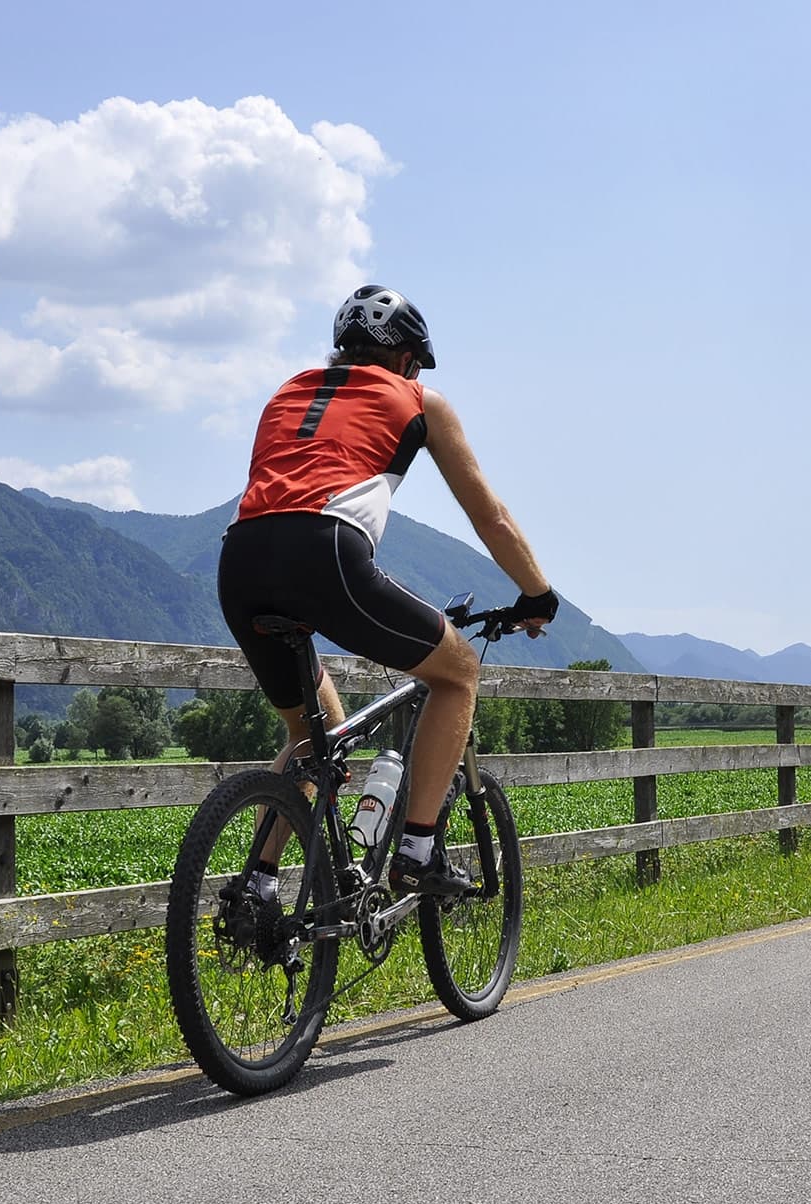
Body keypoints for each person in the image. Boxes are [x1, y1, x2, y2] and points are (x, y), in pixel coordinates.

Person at [218, 284, 558, 897]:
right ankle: (418, 851)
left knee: (313, 730)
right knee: (456, 674)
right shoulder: (419, 399)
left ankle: (259, 888)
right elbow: (491, 517)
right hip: (325, 555)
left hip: (240, 560)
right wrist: (537, 593)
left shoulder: (286, 393)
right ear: (406, 357)